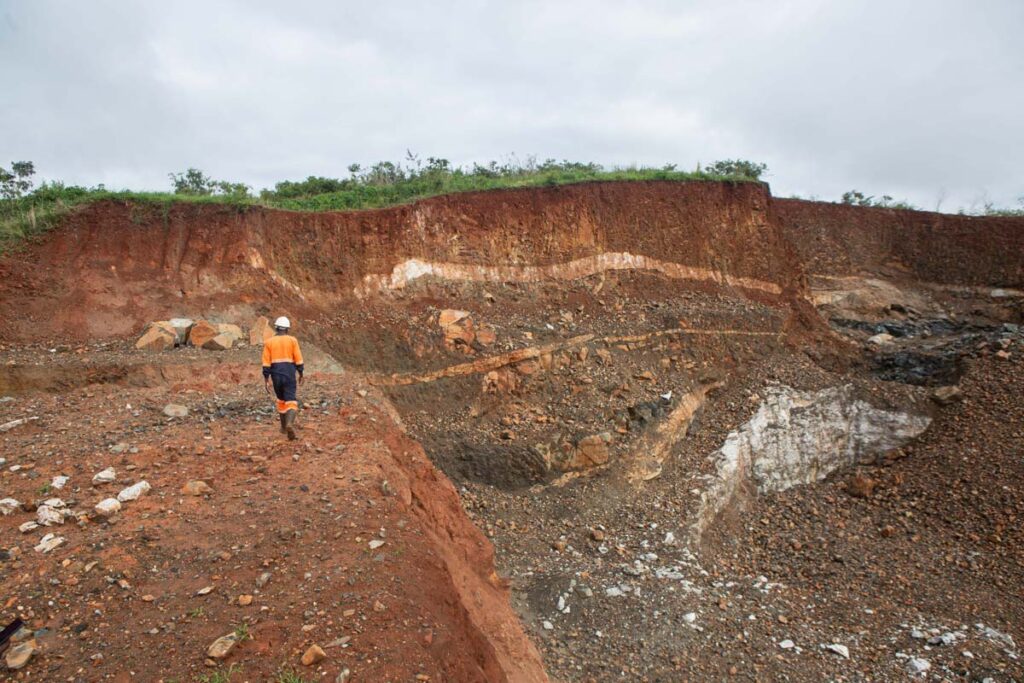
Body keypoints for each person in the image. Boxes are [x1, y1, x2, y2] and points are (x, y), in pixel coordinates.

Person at [262, 316, 304, 440]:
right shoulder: (292, 340)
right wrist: (301, 373)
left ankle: (283, 428)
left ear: (276, 328)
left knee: (281, 400)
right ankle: (289, 423)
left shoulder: (269, 342)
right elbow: (298, 358)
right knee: (291, 401)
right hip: (289, 374)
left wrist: (266, 379)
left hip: (276, 376)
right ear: (287, 329)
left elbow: (266, 363)